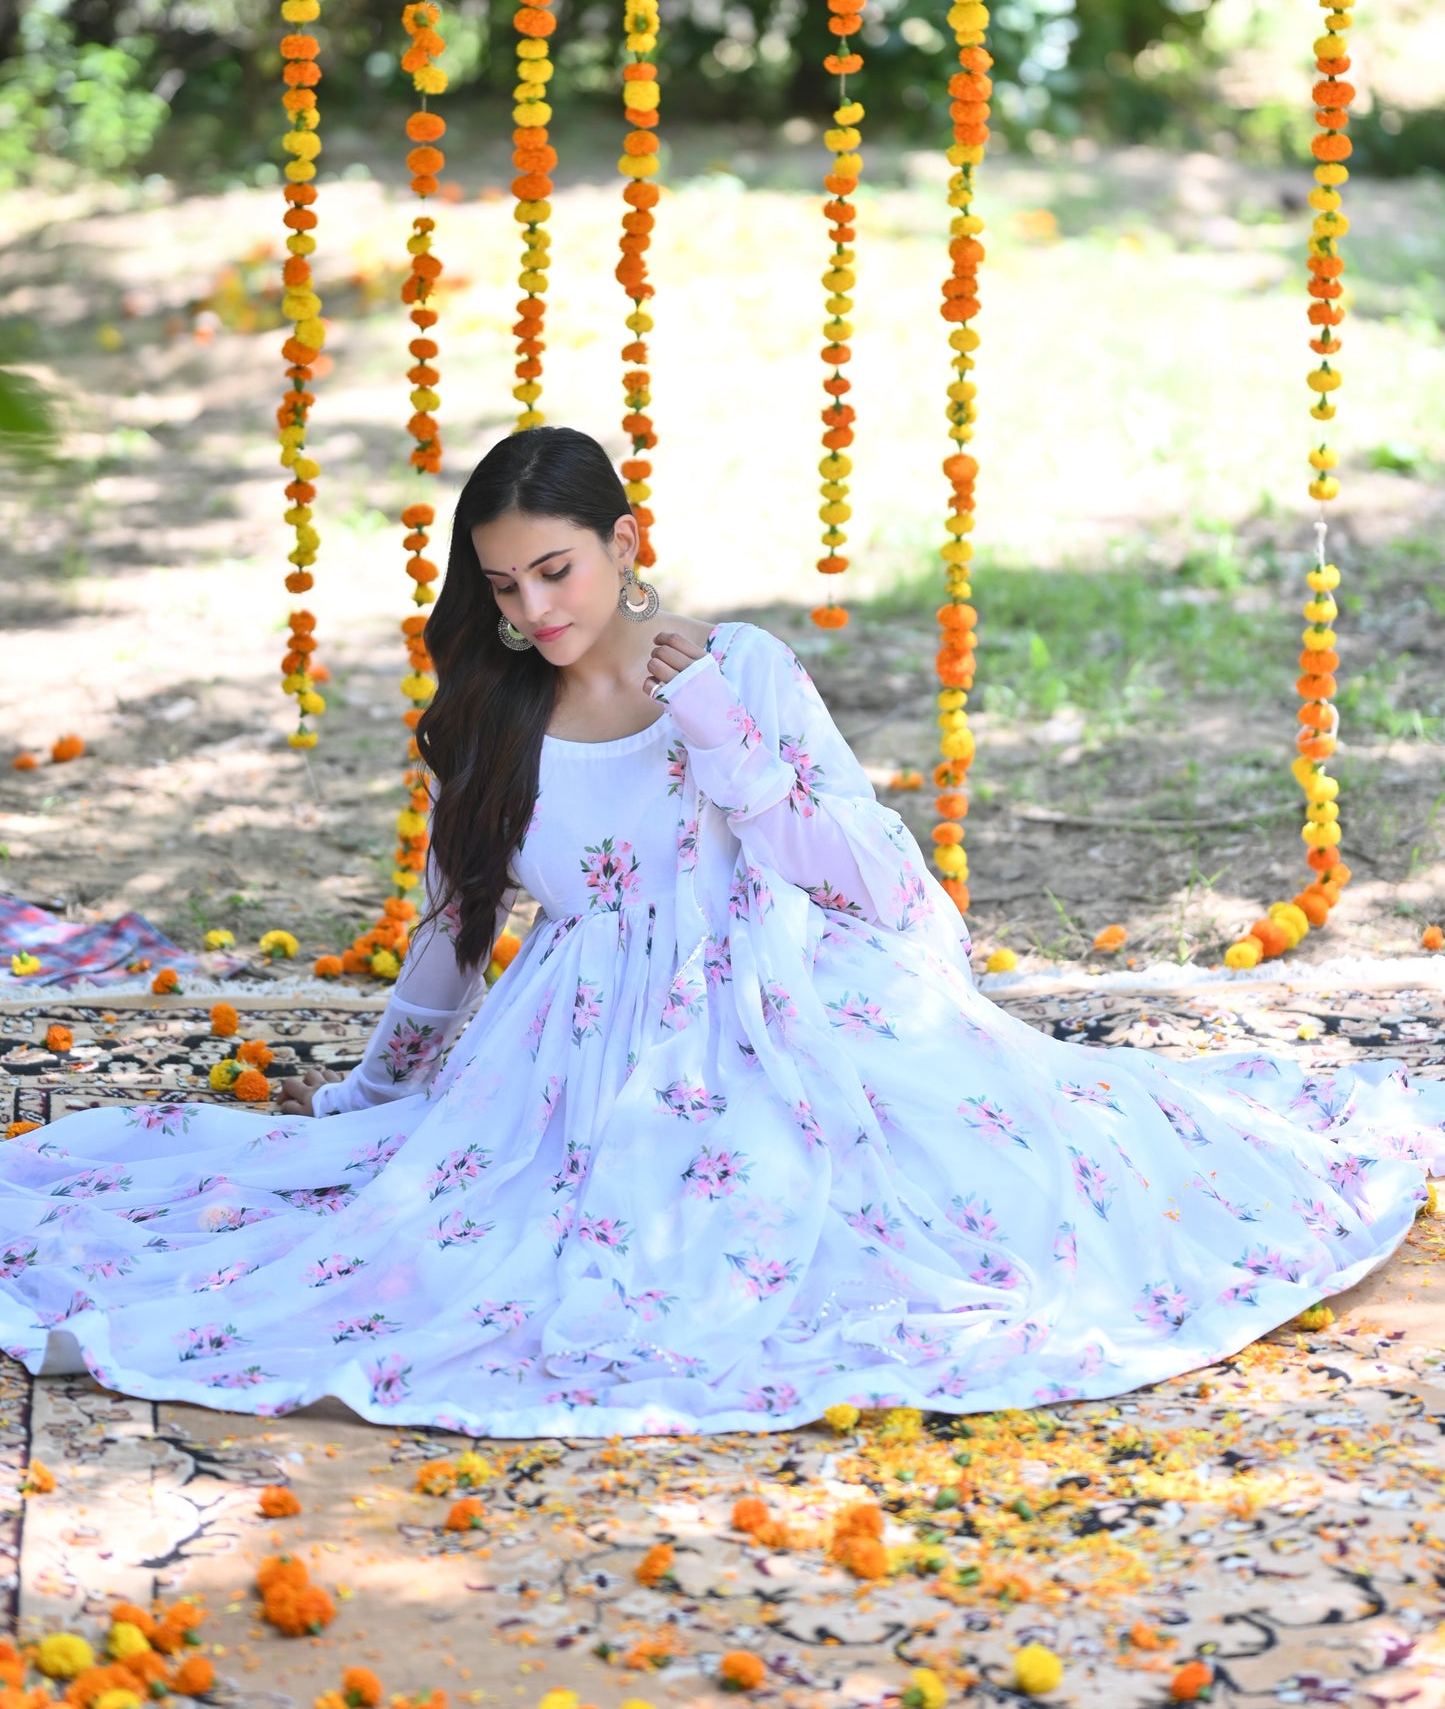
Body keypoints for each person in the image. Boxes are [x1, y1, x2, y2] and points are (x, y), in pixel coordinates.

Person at [1, 426, 1441, 1436]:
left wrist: (723, 732)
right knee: (492, 1243)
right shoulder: (488, 711)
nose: (532, 608)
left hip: (776, 985)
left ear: (627, 543)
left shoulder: (734, 661)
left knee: (968, 1203)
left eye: (556, 569)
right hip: (582, 1037)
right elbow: (457, 920)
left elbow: (848, 867)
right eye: (502, 585)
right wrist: (381, 1090)